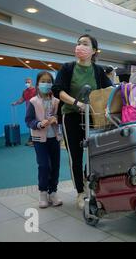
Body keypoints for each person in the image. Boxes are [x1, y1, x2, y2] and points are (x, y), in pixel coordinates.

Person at [52, 34, 112, 209]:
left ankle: (90, 182)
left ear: (93, 50)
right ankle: (80, 191)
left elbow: (108, 89)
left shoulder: (98, 70)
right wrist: (76, 103)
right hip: (71, 115)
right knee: (76, 156)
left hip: (93, 117)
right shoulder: (68, 68)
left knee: (94, 153)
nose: (80, 46)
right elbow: (58, 90)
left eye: (85, 44)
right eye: (78, 43)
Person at [25, 71, 62, 209]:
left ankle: (53, 192)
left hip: (54, 138)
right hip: (39, 139)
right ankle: (43, 192)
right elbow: (28, 120)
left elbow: (61, 117)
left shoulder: (56, 101)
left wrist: (56, 119)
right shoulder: (33, 102)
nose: (46, 84)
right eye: (43, 81)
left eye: (48, 81)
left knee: (55, 166)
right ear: (38, 84)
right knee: (44, 165)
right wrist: (39, 124)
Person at [12, 77, 37, 146]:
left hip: (36, 110)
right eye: (26, 82)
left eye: (28, 82)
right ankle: (32, 139)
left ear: (32, 82)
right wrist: (16, 103)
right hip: (28, 111)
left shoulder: (36, 90)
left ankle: (33, 140)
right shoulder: (25, 91)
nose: (27, 83)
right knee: (30, 124)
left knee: (35, 124)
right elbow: (22, 99)